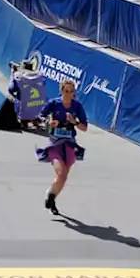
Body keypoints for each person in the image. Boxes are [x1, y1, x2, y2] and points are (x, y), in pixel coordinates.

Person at [37, 79, 87, 216]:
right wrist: (50, 122)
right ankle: (51, 198)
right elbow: (40, 117)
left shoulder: (77, 106)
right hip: (55, 143)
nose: (68, 94)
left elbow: (84, 128)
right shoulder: (54, 103)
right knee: (61, 174)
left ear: (74, 93)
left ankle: (51, 197)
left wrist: (74, 122)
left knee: (63, 178)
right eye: (66, 91)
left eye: (71, 91)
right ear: (61, 91)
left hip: (69, 144)